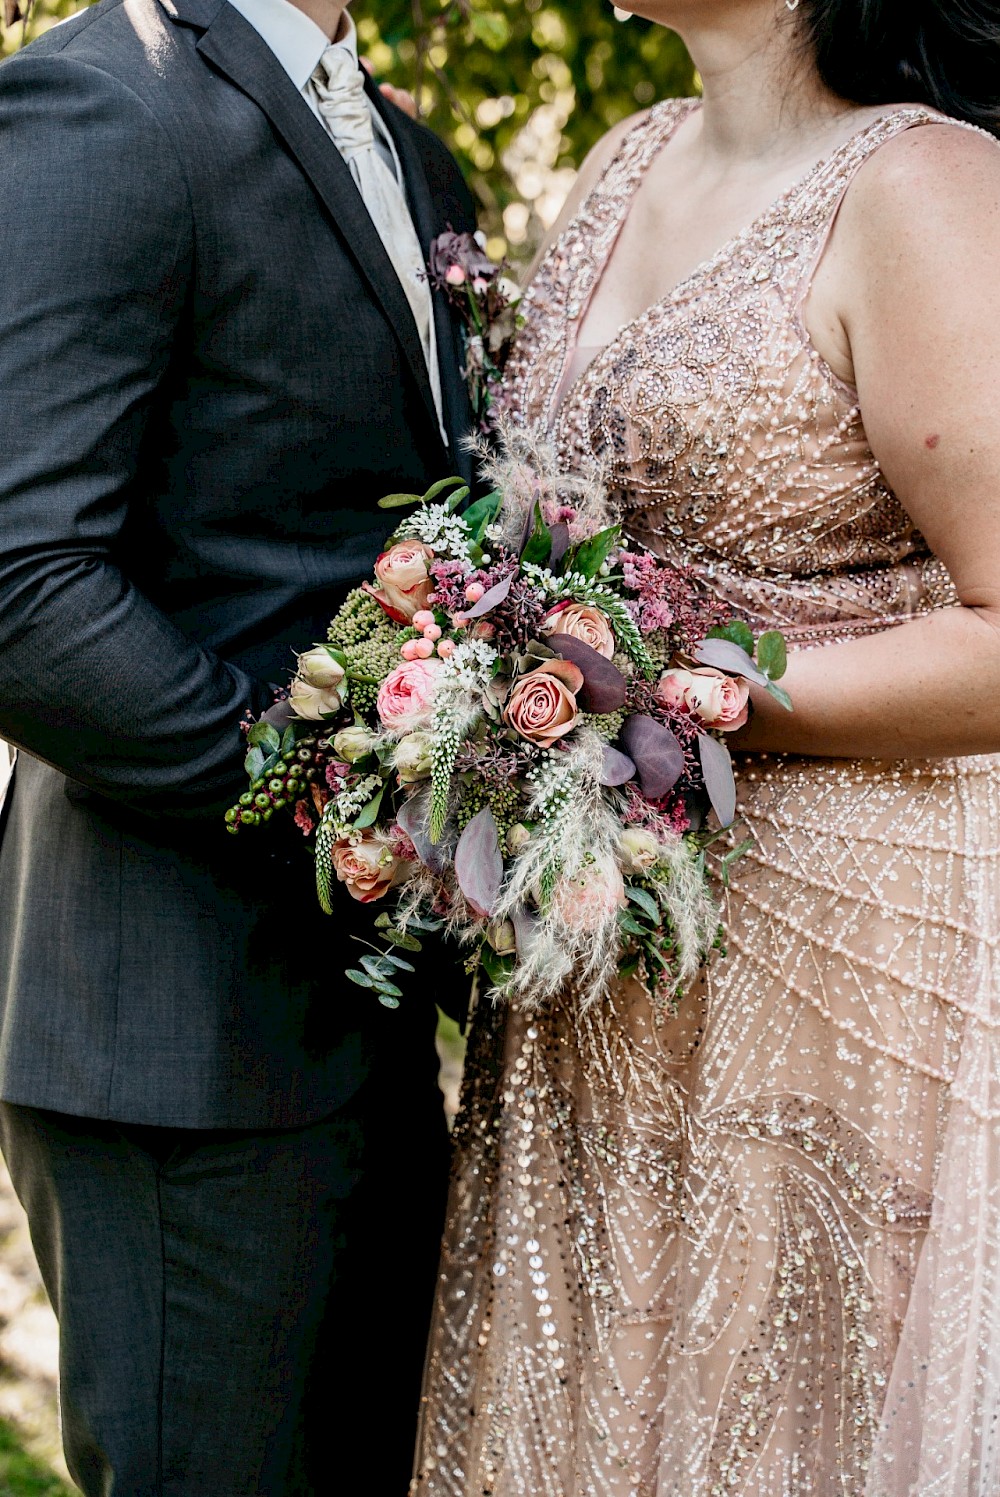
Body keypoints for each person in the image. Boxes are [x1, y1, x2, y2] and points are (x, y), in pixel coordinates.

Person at [413, 0, 1000, 1492]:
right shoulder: (625, 160)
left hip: (841, 949)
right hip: (605, 965)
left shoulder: (922, 188)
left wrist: (695, 693)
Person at [0, 0, 473, 1490]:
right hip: (175, 1043)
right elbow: (23, 588)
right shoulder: (106, 99)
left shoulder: (410, 156)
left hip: (370, 1031)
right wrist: (323, 800)